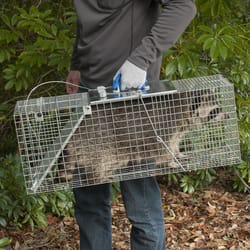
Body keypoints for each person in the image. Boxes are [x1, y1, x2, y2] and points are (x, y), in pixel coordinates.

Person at [66, 1, 196, 249]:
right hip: (89, 97)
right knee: (89, 202)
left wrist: (140, 60)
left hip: (131, 101)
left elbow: (183, 6)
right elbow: (88, 21)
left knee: (141, 205)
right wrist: (77, 64)